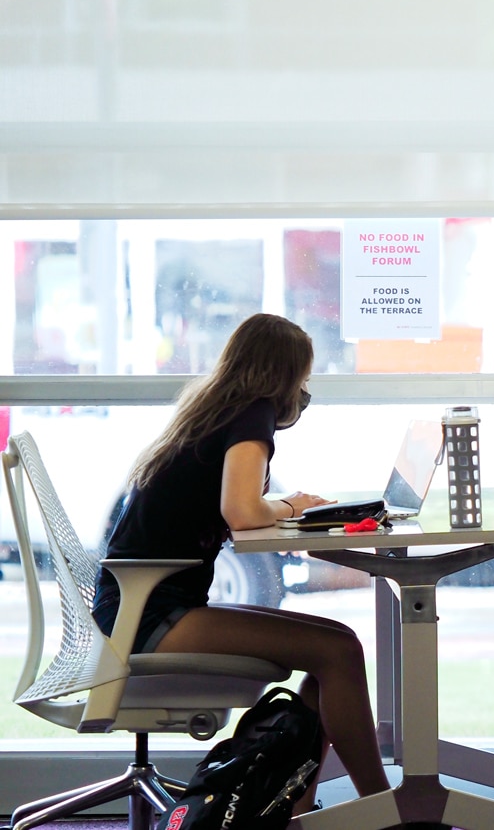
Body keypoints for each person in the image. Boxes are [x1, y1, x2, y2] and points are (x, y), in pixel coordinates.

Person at [90, 313, 389, 811]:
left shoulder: (212, 411)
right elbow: (243, 511)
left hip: (134, 608)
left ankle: (290, 809)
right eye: (305, 378)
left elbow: (230, 509)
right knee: (338, 651)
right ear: (285, 376)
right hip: (148, 616)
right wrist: (293, 507)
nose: (306, 390)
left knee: (331, 654)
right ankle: (385, 809)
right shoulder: (252, 415)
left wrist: (286, 509)